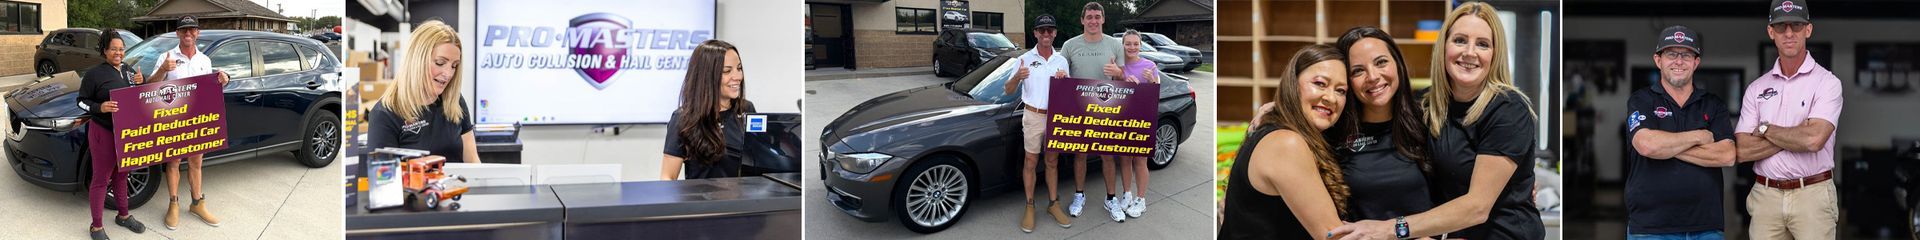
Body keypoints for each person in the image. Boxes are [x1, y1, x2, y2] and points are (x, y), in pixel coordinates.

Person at [1330, 2, 1544, 239]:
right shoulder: (1425, 106)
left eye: (1482, 44)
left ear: (1495, 54)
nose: (1469, 52)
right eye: (1460, 40)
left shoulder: (1507, 109)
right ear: (1443, 46)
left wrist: (1389, 228)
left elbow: (1477, 207)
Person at [1218, 44, 1350, 239]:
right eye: (1320, 83)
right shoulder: (1287, 143)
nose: (1331, 97)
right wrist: (1398, 229)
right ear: (1292, 84)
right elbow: (1333, 236)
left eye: (1341, 91)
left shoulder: (1276, 130)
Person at [1735, 0, 1843, 238]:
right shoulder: (1756, 88)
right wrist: (1797, 133)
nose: (1789, 33)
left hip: (1812, 194)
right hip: (1766, 195)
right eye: (1781, 26)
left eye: (1796, 25)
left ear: (1808, 29)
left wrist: (1763, 128)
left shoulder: (1827, 83)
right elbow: (1742, 149)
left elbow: (1814, 140)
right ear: (1771, 32)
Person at [1624, 25, 1737, 240]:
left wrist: (1666, 147)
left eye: (1686, 55)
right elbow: (1646, 145)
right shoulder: (1642, 100)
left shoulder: (1713, 105)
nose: (1679, 61)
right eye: (1671, 54)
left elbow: (1727, 155)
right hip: (1650, 227)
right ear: (1658, 60)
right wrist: (1699, 136)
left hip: (1706, 227)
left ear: (1696, 63)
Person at [1327, 26, 1436, 223]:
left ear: (1398, 64)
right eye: (1358, 70)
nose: (1373, 77)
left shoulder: (1427, 116)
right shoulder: (1332, 132)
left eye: (1381, 62)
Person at [148, 15, 229, 230]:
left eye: (192, 30)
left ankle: (197, 203)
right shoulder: (166, 57)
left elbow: (209, 89)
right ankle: (173, 204)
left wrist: (222, 78)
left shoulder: (205, 60)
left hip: (197, 120)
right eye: (184, 30)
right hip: (173, 119)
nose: (188, 34)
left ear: (198, 33)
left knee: (196, 162)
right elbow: (149, 86)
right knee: (173, 162)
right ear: (177, 33)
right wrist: (164, 69)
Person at [367, 20, 482, 167]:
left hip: (456, 188)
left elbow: (472, 160)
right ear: (417, 60)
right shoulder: (385, 114)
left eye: (454, 66)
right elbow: (383, 180)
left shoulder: (455, 102)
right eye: (440, 63)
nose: (448, 74)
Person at [1060, 1, 1130, 223]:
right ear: (1082, 20)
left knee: (1107, 156)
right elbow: (1060, 77)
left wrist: (1117, 72)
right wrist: (1060, 78)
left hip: (1107, 109)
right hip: (1078, 110)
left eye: (1097, 17)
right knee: (1080, 154)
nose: (1093, 21)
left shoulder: (1114, 45)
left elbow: (1125, 79)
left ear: (1103, 19)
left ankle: (1111, 198)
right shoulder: (1070, 45)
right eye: (1089, 17)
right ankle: (1079, 195)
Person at [77, 28, 149, 240]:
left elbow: (136, 97)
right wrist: (100, 107)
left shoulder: (127, 70)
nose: (118, 53)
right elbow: (81, 101)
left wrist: (141, 82)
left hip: (125, 133)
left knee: (122, 174)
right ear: (105, 51)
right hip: (103, 132)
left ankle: (123, 215)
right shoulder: (94, 74)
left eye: (121, 49)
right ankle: (96, 226)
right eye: (113, 49)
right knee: (101, 179)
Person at [1003, 14, 1072, 233]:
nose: (1046, 34)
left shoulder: (1061, 60)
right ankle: (1030, 205)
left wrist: (1065, 81)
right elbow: (1008, 89)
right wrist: (1017, 77)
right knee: (1031, 161)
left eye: (1050, 30)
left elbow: (1068, 93)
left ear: (1055, 33)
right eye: (1042, 30)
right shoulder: (1024, 59)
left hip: (1055, 117)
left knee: (1052, 161)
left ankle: (1053, 204)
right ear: (1035, 33)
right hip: (1033, 116)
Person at [661, 39, 757, 180]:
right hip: (702, 201)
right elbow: (667, 177)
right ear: (707, 75)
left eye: (739, 68)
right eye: (727, 71)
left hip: (746, 201)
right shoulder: (683, 119)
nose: (737, 77)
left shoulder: (747, 109)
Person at [1117, 29, 1159, 219]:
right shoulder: (1120, 67)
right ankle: (1127, 194)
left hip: (1142, 119)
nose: (1132, 47)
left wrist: (1150, 82)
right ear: (1123, 45)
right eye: (1128, 44)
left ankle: (1141, 200)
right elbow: (1112, 90)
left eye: (1135, 44)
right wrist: (1124, 81)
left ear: (1140, 45)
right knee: (1125, 159)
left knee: (1140, 160)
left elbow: (1156, 93)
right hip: (1122, 118)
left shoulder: (1149, 66)